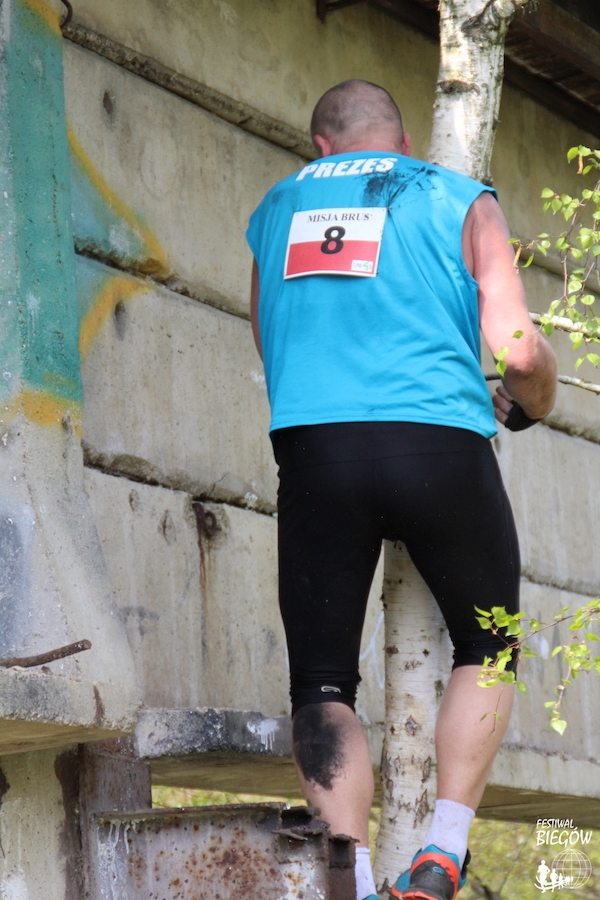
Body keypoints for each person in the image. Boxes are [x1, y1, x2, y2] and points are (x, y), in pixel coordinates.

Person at [246, 80, 557, 900]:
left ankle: (346, 874)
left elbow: (267, 335)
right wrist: (534, 399)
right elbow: (521, 353)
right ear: (404, 141)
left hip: (315, 449)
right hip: (438, 445)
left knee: (321, 682)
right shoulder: (457, 196)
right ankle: (441, 853)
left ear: (321, 146)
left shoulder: (276, 208)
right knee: (487, 645)